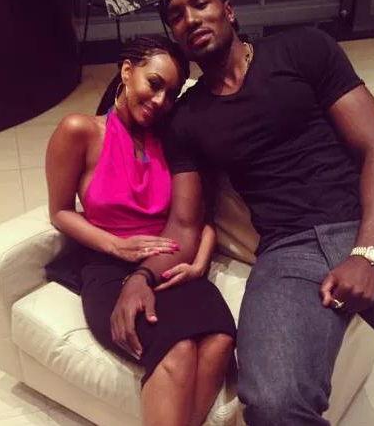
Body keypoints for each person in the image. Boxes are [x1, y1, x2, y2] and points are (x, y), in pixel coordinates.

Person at [136, 0, 374, 425]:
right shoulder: (186, 118)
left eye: (200, 3)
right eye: (177, 16)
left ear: (228, 10)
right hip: (285, 254)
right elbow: (183, 223)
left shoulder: (303, 48)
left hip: (361, 224)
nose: (191, 19)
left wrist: (367, 253)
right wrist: (140, 276)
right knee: (271, 402)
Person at [45, 36, 236, 426]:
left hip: (171, 260)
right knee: (178, 350)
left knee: (220, 340)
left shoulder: (174, 139)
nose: (161, 100)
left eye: (171, 93)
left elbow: (197, 218)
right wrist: (117, 246)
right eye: (154, 83)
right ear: (127, 71)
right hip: (108, 266)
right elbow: (60, 212)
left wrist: (200, 260)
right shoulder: (80, 130)